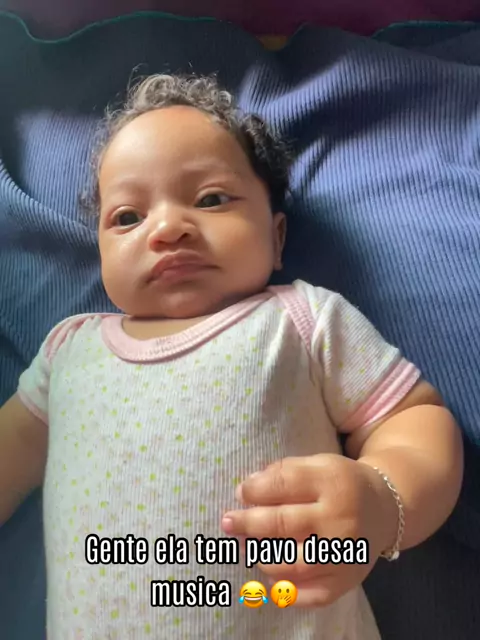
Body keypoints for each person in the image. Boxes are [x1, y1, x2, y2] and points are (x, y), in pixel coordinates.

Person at [0, 74, 463, 639]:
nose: (167, 228)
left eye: (211, 199)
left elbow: (413, 419)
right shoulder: (68, 351)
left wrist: (384, 501)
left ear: (277, 236)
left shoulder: (300, 319)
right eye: (127, 217)